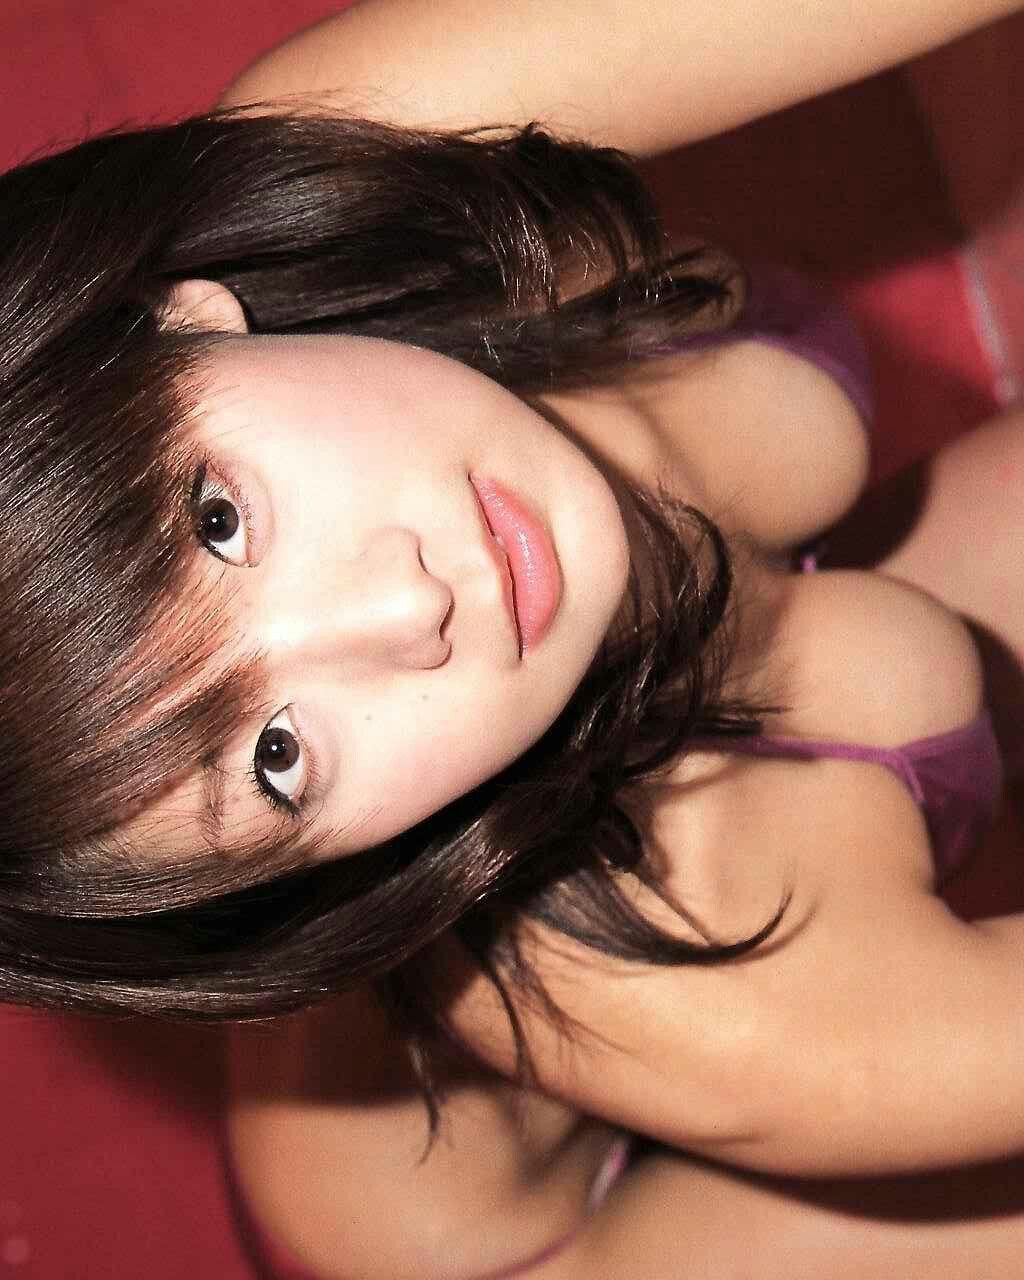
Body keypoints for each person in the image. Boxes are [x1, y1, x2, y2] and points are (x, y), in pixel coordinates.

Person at [3, 0, 1024, 1275]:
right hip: (498, 1241)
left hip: (716, 665)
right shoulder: (700, 992)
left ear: (173, 318)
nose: (405, 612)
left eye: (218, 520)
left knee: (878, 646)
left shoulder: (366, 158)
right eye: (278, 756)